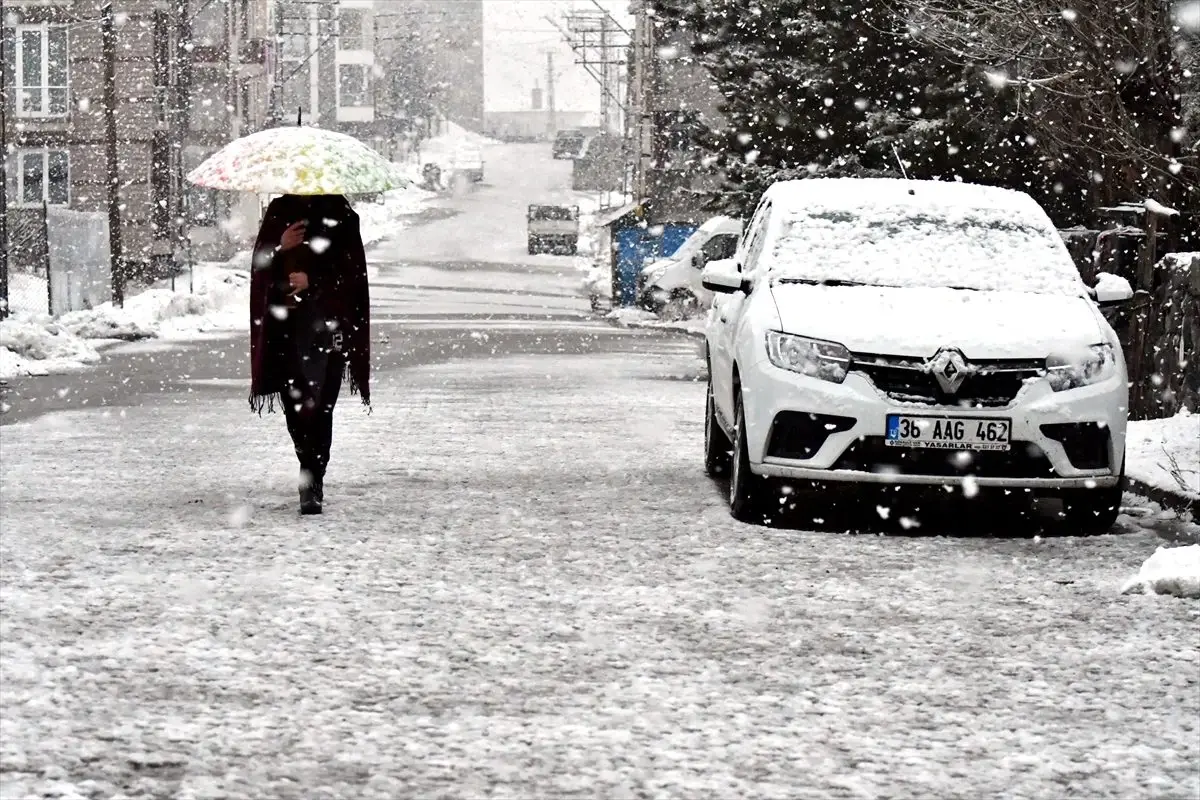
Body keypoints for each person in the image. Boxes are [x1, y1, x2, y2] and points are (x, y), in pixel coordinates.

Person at [249, 194, 371, 515]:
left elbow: (352, 275)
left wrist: (313, 279)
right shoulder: (279, 211)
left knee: (322, 406)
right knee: (296, 408)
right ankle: (308, 467)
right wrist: (281, 247)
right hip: (287, 329)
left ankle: (312, 481)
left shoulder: (340, 213)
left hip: (330, 330)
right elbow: (260, 267)